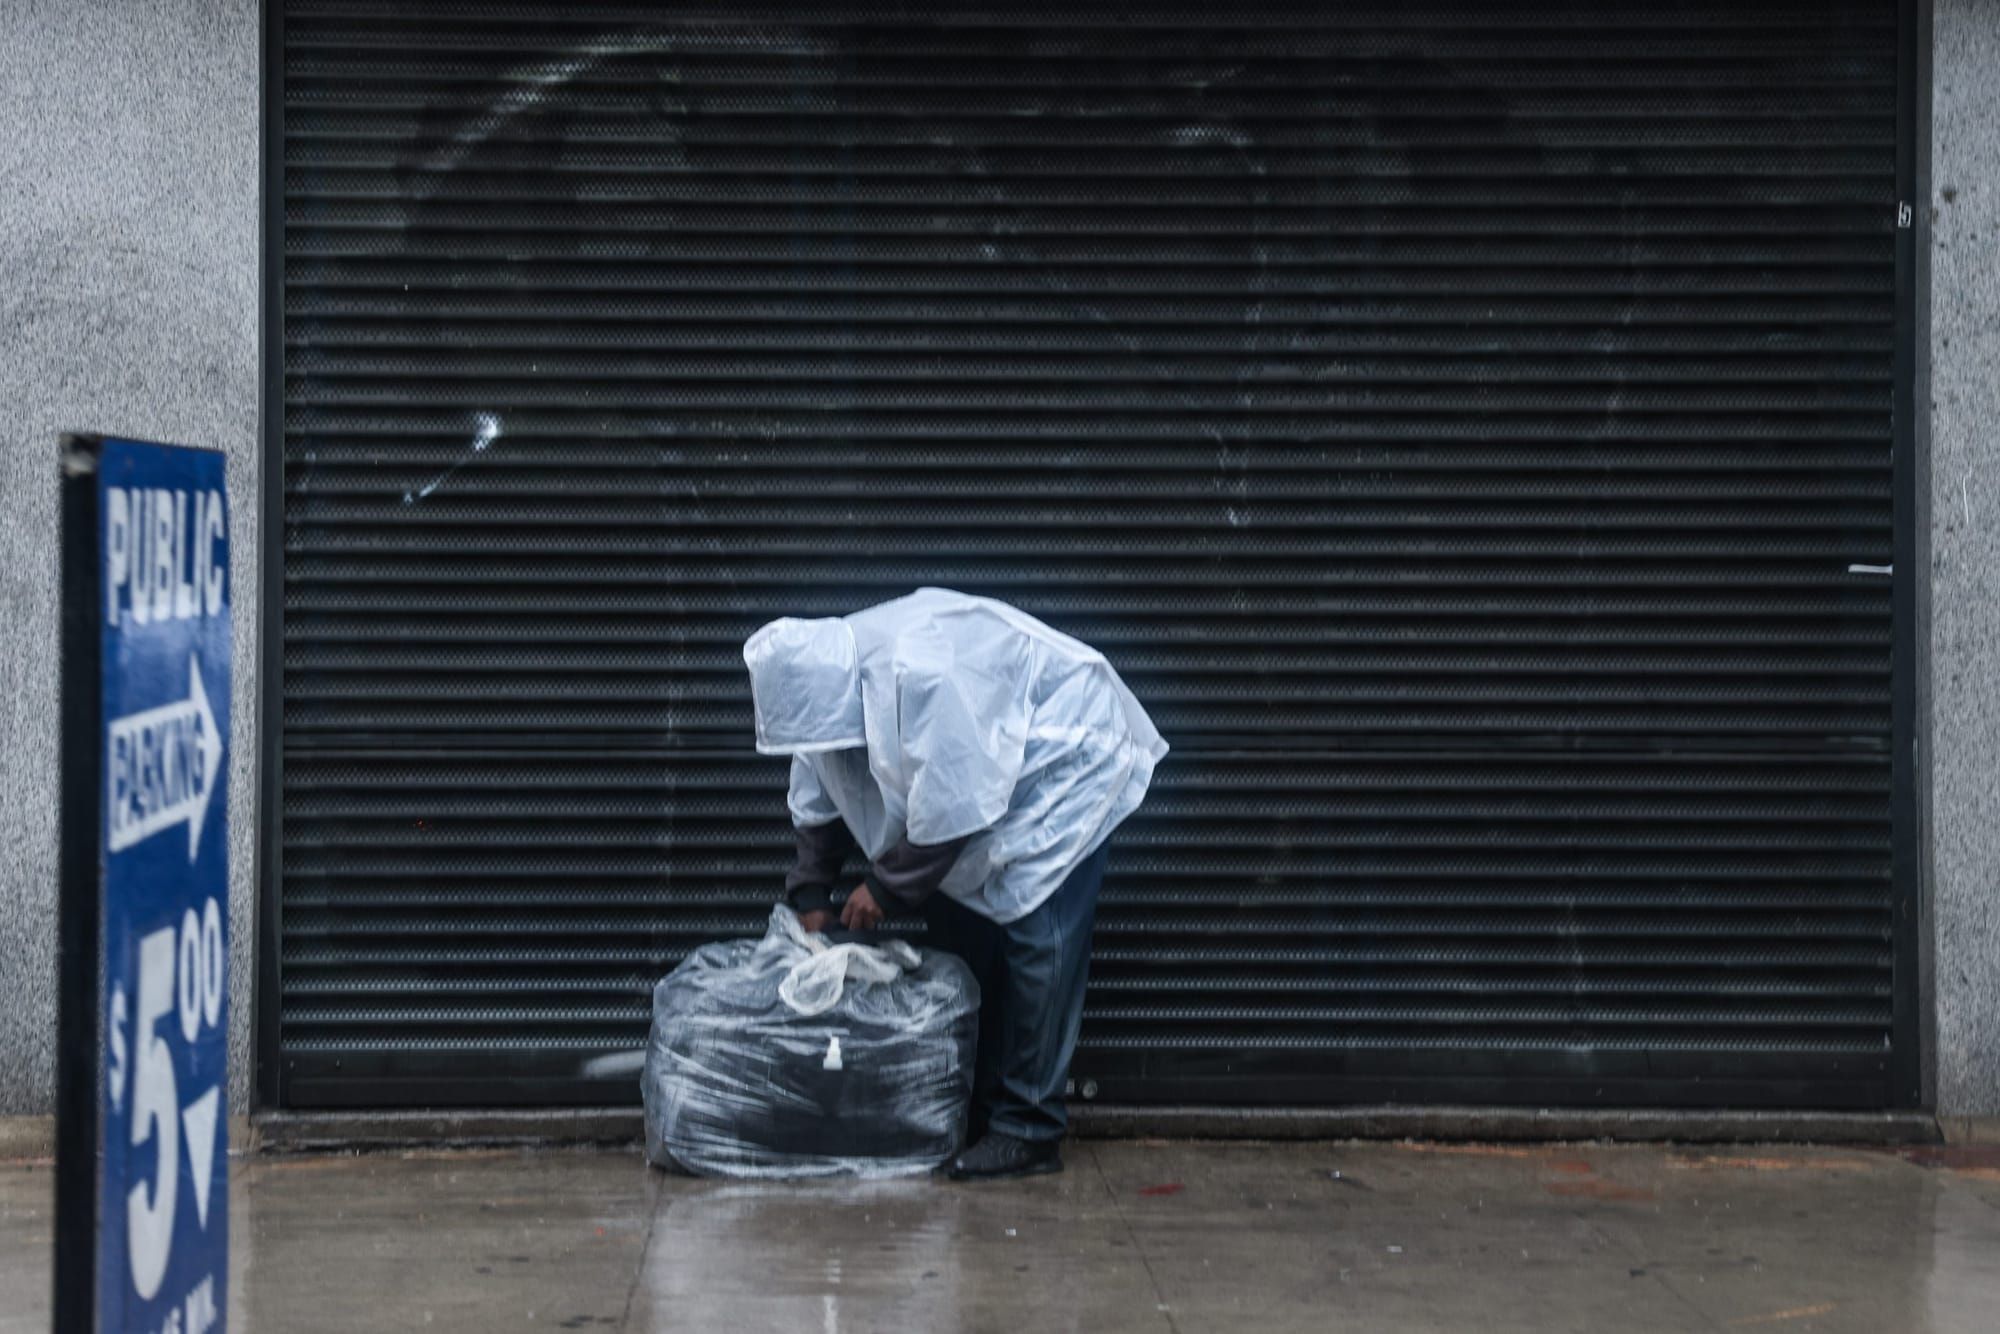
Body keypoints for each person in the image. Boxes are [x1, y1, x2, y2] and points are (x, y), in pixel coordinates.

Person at [743, 588, 1167, 1181]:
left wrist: (884, 890)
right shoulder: (817, 690)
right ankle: (965, 1107)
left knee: (1037, 939)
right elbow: (819, 789)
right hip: (988, 779)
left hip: (1062, 761)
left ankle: (1028, 1129)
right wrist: (811, 892)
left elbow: (959, 796)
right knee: (959, 946)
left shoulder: (924, 670)